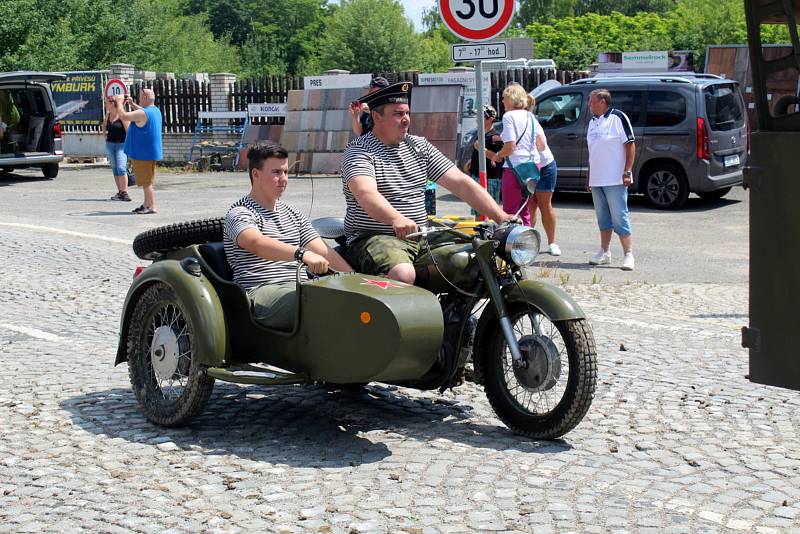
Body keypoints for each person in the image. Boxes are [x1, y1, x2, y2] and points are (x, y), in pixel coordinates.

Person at [341, 82, 515, 286]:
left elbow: (460, 183)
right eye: (398, 114)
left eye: (407, 113)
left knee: (477, 257)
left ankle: (456, 315)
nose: (405, 120)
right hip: (374, 236)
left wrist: (501, 216)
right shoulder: (360, 151)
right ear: (377, 117)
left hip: (420, 234)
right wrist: (395, 218)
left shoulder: (419, 146)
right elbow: (365, 193)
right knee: (402, 274)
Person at [224, 142, 351, 331]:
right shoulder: (240, 213)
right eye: (276, 172)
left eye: (285, 172)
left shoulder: (293, 214)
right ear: (256, 174)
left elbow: (323, 251)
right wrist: (301, 254)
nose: (283, 179)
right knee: (322, 303)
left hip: (298, 287)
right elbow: (255, 243)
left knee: (355, 301)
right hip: (260, 292)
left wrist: (356, 280)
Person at [585, 88, 636, 271]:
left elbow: (630, 144)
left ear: (602, 102)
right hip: (597, 179)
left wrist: (627, 171)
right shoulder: (592, 122)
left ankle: (628, 254)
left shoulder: (618, 118)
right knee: (603, 218)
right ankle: (605, 252)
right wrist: (590, 176)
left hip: (615, 178)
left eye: (591, 101)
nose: (589, 104)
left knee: (619, 216)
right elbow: (593, 151)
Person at [491, 84, 543, 229]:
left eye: (504, 98)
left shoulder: (509, 116)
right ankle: (527, 241)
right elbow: (540, 144)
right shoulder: (530, 116)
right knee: (524, 209)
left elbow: (510, 146)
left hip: (515, 168)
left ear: (511, 99)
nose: (502, 101)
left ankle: (512, 244)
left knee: (509, 211)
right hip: (532, 167)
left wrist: (497, 155)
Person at [113, 89, 162, 214]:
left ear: (145, 97)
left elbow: (123, 116)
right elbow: (142, 111)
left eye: (140, 97)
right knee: (147, 180)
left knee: (146, 182)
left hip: (143, 153)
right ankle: (146, 203)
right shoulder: (155, 111)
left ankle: (150, 206)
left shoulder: (143, 113)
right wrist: (132, 104)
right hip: (149, 152)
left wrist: (119, 102)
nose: (139, 99)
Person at [526, 95, 561, 256]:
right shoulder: (513, 120)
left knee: (544, 205)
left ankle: (552, 243)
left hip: (544, 165)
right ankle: (528, 242)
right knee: (530, 205)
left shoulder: (531, 120)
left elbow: (541, 144)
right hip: (528, 167)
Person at [464, 104, 503, 214]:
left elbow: (499, 158)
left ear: (490, 119)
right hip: (476, 175)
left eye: (481, 117)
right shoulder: (480, 133)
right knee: (477, 209)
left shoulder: (495, 137)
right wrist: (471, 161)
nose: (477, 119)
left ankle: (489, 231)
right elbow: (477, 150)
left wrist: (482, 150)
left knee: (489, 210)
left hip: (490, 178)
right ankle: (479, 230)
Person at [102, 97, 131, 201]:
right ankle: (119, 192)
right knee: (115, 168)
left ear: (112, 104)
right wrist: (105, 136)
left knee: (121, 168)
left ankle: (125, 192)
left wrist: (129, 145)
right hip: (110, 144)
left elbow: (128, 131)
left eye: (107, 103)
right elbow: (104, 125)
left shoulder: (122, 116)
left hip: (121, 145)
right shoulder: (108, 115)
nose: (106, 105)